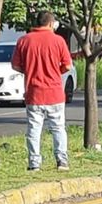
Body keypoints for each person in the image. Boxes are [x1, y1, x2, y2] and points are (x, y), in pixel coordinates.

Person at [11, 11, 72, 172]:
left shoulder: (24, 40)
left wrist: (30, 71)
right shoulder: (58, 40)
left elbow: (15, 66)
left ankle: (34, 163)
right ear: (51, 24)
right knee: (58, 127)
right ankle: (62, 161)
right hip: (55, 93)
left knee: (33, 129)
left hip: (33, 93)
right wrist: (54, 71)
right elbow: (67, 65)